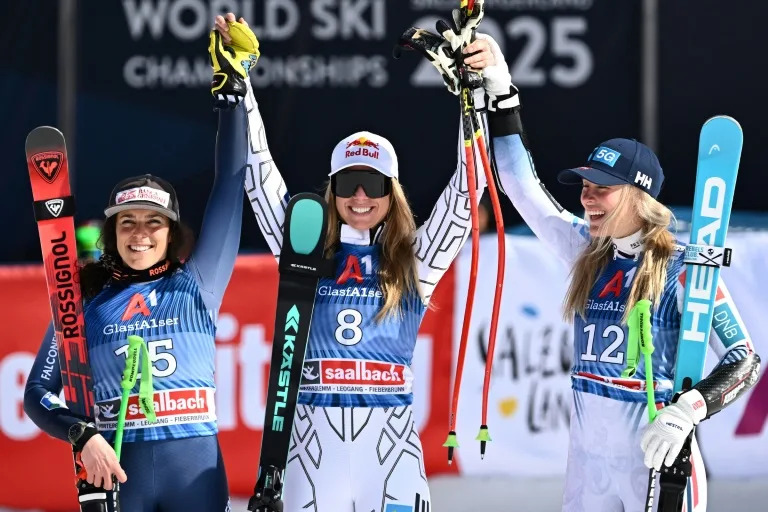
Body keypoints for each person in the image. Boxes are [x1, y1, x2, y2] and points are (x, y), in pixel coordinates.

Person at [462, 33, 761, 512]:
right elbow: (519, 184)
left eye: (602, 188)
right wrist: (501, 89)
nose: (586, 197)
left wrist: (688, 411)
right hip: (587, 468)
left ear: (639, 196)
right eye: (584, 186)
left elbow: (744, 361)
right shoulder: (587, 252)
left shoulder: (682, 267)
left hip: (657, 465)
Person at [210, 13, 493, 512]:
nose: (360, 196)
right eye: (347, 183)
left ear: (393, 192)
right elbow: (260, 177)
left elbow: (467, 195)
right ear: (332, 189)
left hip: (391, 452)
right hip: (309, 452)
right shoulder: (305, 249)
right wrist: (243, 84)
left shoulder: (413, 260)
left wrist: (472, 103)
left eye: (374, 184)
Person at [23, 42, 252, 509]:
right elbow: (37, 395)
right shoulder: (84, 298)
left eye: (154, 223)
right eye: (127, 223)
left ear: (172, 232)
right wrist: (82, 433)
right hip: (119, 479)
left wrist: (233, 97)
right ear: (112, 231)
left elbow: (230, 181)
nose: (140, 234)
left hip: (196, 478)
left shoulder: (199, 282)